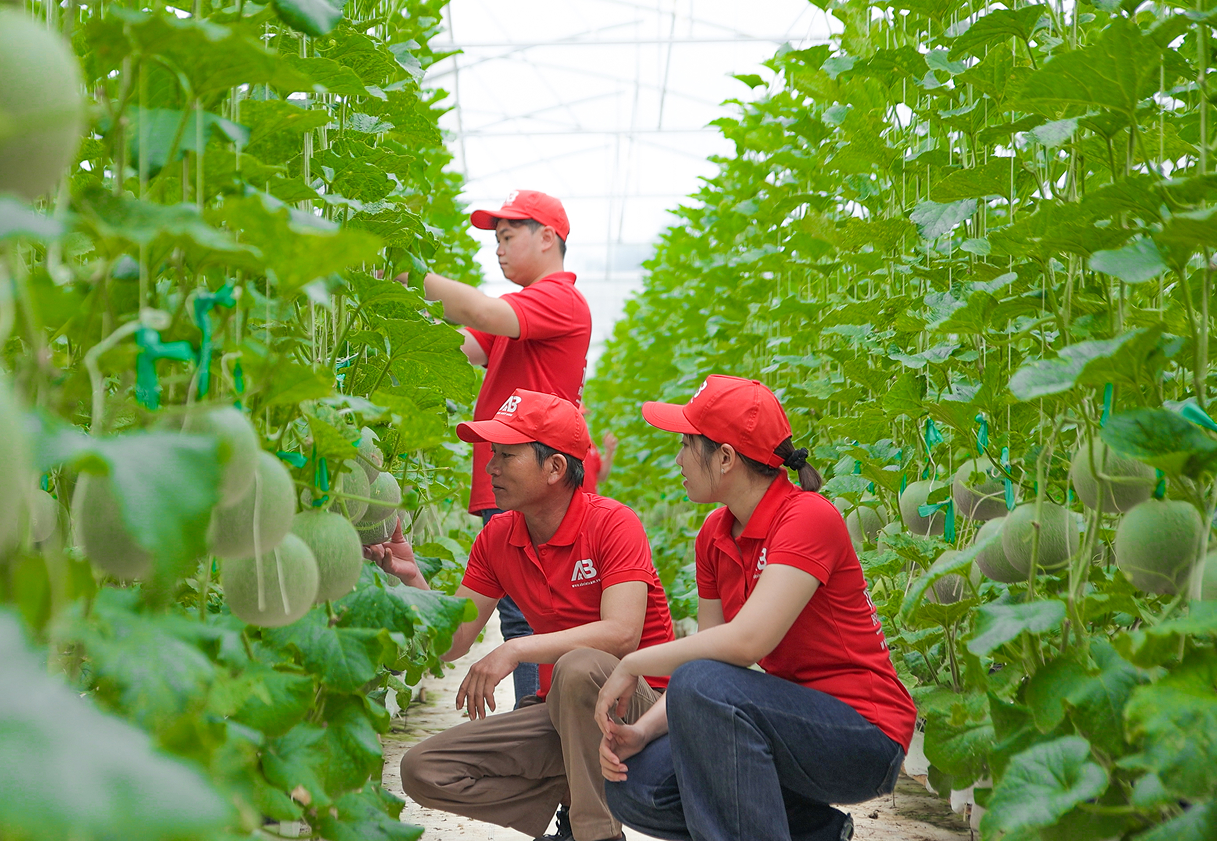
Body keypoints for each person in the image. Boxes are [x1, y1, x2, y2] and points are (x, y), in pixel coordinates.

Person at [592, 375, 916, 841]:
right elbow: (710, 658)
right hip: (789, 727)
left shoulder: (807, 517)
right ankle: (817, 832)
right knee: (635, 784)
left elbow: (746, 644)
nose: (678, 459)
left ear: (725, 457)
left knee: (700, 682)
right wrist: (642, 732)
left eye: (686, 444)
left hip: (863, 733)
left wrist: (632, 662)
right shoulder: (714, 535)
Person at [369, 390, 674, 841]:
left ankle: (594, 833)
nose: (490, 468)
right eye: (492, 454)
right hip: (561, 711)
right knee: (423, 770)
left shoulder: (613, 523)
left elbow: (622, 634)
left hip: (644, 712)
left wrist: (515, 649)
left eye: (506, 455)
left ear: (555, 468)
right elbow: (452, 642)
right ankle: (573, 788)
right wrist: (412, 579)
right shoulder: (498, 537)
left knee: (578, 666)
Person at [421, 190, 592, 708]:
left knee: (531, 612)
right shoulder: (522, 314)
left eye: (507, 235)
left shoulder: (558, 298)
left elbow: (480, 309)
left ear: (547, 237)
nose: (497, 248)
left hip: (537, 477)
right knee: (522, 610)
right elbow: (458, 346)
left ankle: (537, 723)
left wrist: (403, 271)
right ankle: (538, 722)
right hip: (514, 474)